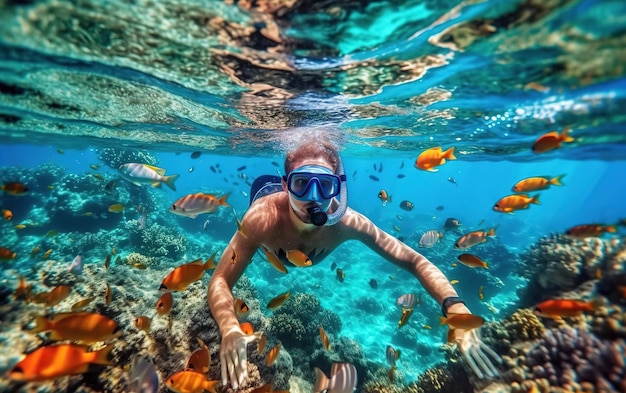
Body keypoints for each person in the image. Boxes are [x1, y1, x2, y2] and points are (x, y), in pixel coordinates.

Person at [207, 139, 501, 389]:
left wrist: (455, 307)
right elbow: (220, 279)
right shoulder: (261, 220)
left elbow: (415, 259)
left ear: (338, 188)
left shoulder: (348, 222)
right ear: (286, 186)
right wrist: (230, 327)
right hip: (265, 209)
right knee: (262, 197)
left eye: (324, 186)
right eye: (300, 184)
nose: (313, 198)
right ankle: (274, 186)